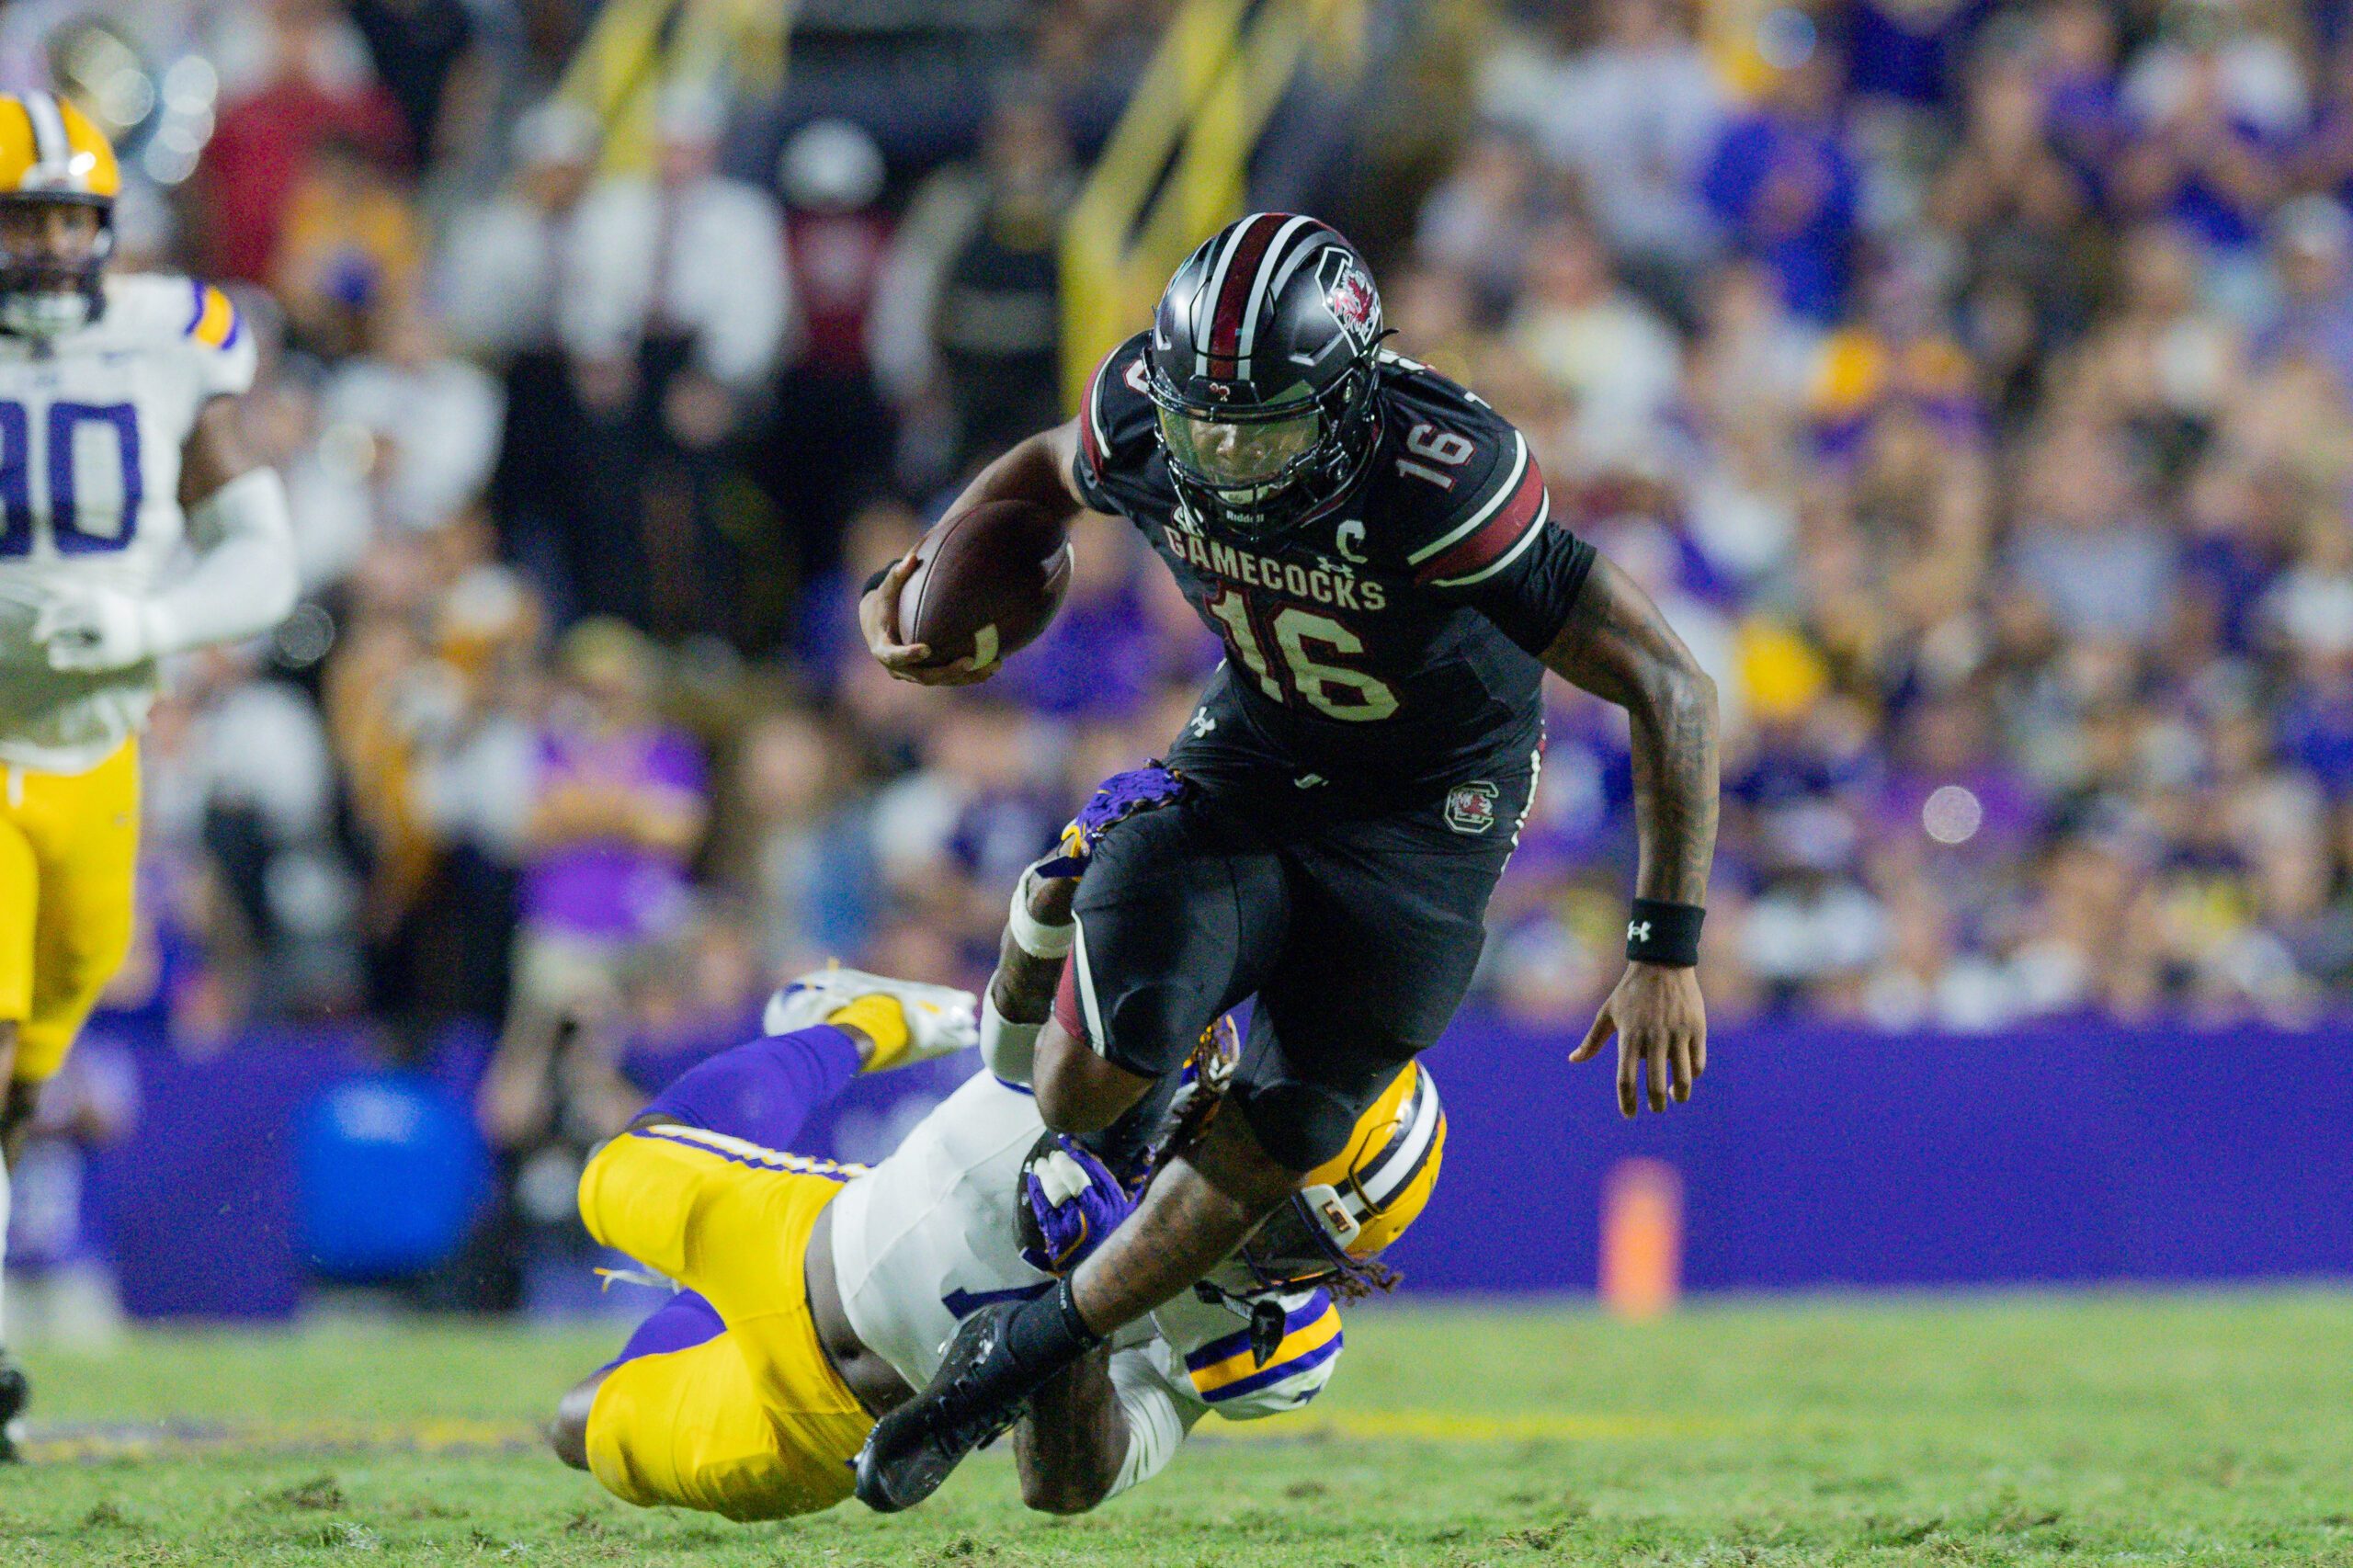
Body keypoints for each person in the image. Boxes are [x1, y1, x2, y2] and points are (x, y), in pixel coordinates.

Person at [853, 213, 1720, 1509]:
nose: (1223, 456)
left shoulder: (1443, 476)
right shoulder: (1149, 412)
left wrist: (1664, 946)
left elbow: (1670, 682)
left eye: (1259, 430)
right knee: (1081, 1084)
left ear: (1351, 399)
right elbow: (1043, 470)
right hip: (1258, 753)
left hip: (1426, 817)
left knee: (1288, 1129)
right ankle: (1105, 1130)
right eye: (1202, 425)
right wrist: (936, 565)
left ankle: (1019, 1354)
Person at [551, 962, 1443, 1520]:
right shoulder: (1146, 1062)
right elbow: (1023, 1001)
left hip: (823, 1426)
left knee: (578, 1424)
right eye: (1267, 1199)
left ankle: (694, 1315)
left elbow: (1065, 1485)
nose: (1244, 1229)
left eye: (1290, 1240)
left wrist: (1081, 1303)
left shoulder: (1257, 1343)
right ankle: (869, 1026)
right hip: (798, 1227)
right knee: (608, 1177)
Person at [0, 92, 300, 1455]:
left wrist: (145, 621)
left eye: (70, 221)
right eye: (24, 222)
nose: (51, 248)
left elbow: (262, 559)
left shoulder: (169, 340)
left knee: (27, 1075)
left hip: (98, 749)